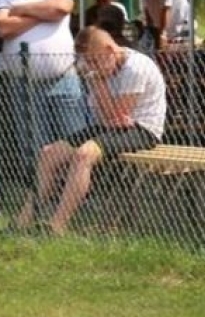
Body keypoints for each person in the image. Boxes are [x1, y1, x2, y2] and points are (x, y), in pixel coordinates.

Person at [15, 27, 166, 235]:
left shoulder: (135, 67)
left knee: (84, 154)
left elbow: (116, 114)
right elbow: (107, 118)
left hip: (143, 129)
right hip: (111, 126)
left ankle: (57, 225)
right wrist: (104, 94)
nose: (92, 67)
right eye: (89, 63)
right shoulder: (101, 70)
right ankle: (23, 220)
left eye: (95, 61)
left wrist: (98, 82)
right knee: (49, 153)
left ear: (110, 50)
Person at [0, 0, 88, 198]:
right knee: (35, 143)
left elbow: (61, 8)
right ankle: (42, 199)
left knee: (74, 138)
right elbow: (4, 28)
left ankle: (76, 195)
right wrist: (43, 13)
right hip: (24, 84)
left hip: (64, 79)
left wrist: (20, 9)